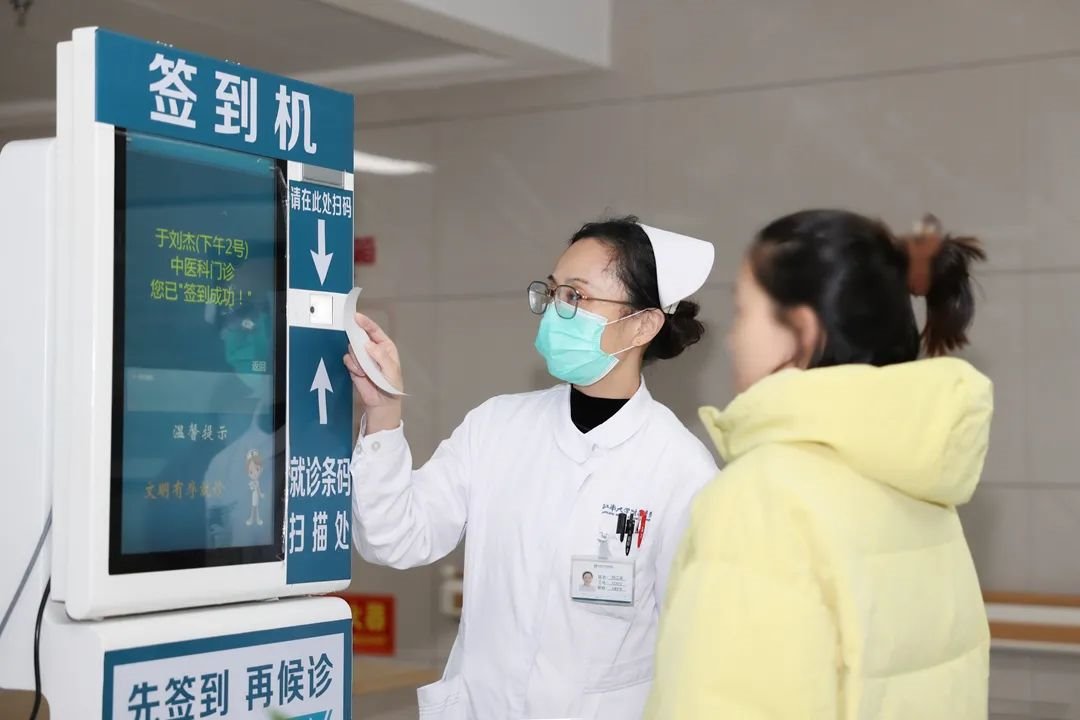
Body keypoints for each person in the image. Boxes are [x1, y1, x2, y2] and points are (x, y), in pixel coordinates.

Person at [345, 217, 719, 719]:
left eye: (576, 296)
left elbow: (698, 646)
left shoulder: (681, 470)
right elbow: (393, 537)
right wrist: (384, 412)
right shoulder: (497, 426)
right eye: (554, 291)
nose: (556, 310)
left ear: (642, 325)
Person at [646, 211, 993, 719]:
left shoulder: (764, 496)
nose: (733, 339)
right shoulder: (921, 485)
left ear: (802, 331)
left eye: (744, 312)